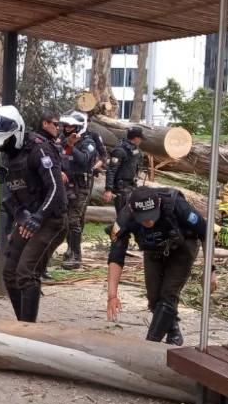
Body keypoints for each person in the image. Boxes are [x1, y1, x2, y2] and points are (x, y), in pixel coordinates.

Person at [0, 107, 67, 322]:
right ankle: (22, 323)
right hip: (28, 219)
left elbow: (57, 189)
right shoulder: (7, 158)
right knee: (9, 273)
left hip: (52, 220)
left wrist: (38, 217)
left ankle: (29, 330)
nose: (1, 146)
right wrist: (17, 221)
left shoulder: (40, 150)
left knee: (26, 273)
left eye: (3, 141)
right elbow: (12, 195)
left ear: (16, 132)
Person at [106, 187, 217, 346]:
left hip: (183, 246)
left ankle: (151, 343)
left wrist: (210, 269)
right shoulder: (125, 217)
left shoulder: (176, 204)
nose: (149, 221)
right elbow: (116, 255)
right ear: (132, 209)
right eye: (143, 218)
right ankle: (172, 328)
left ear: (158, 203)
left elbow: (206, 231)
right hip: (153, 248)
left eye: (151, 216)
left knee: (168, 293)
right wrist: (112, 295)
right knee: (153, 297)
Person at [58, 111, 96, 270]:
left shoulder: (88, 142)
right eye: (65, 126)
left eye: (71, 126)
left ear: (79, 127)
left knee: (74, 220)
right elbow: (64, 158)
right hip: (67, 185)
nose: (67, 128)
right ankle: (69, 249)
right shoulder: (64, 141)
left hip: (81, 186)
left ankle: (76, 255)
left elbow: (85, 160)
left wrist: (71, 146)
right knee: (67, 219)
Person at [104, 126, 143, 214]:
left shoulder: (135, 150)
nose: (141, 141)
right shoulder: (120, 150)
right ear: (136, 138)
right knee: (123, 217)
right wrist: (108, 190)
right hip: (121, 188)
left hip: (131, 186)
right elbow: (111, 170)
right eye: (140, 138)